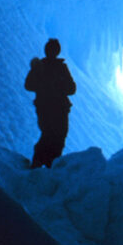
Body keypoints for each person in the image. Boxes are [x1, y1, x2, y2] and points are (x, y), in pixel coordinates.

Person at [25, 38, 76, 169]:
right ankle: (44, 163)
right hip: (52, 108)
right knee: (52, 135)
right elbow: (29, 85)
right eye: (51, 50)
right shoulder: (47, 67)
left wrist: (56, 85)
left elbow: (72, 88)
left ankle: (47, 164)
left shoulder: (56, 67)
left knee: (54, 135)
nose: (52, 52)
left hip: (52, 108)